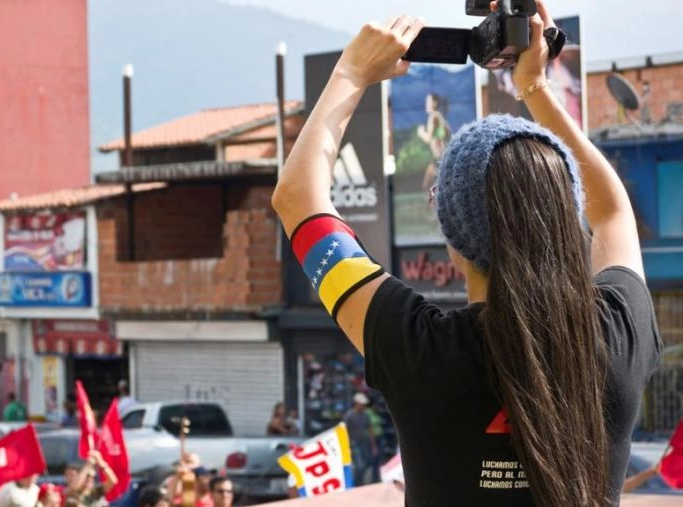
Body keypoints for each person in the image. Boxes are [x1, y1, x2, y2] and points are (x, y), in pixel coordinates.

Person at [270, 2, 661, 505]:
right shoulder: (620, 334)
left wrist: (351, 72)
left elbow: (296, 199)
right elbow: (613, 213)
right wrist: (535, 88)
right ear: (569, 219)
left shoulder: (417, 348)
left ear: (453, 242)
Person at [415, 93, 451, 191]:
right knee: (431, 185)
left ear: (435, 103)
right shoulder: (439, 116)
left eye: (428, 101)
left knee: (427, 185)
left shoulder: (433, 116)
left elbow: (428, 138)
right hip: (439, 156)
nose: (426, 104)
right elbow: (448, 132)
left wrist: (420, 132)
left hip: (439, 157)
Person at [342, 393, 377, 486]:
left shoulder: (365, 415)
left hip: (365, 443)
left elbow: (369, 429)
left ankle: (360, 483)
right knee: (359, 465)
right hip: (354, 444)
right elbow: (344, 431)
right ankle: (357, 484)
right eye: (361, 404)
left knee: (366, 464)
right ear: (356, 403)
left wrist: (373, 444)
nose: (363, 406)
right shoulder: (349, 416)